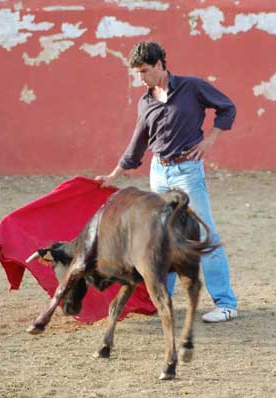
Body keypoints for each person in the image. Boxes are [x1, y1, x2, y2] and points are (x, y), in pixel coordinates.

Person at [96, 41, 238, 323]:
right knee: (162, 237)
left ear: (160, 64)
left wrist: (208, 141)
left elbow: (227, 108)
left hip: (187, 171)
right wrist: (114, 175)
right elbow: (138, 143)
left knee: (203, 234)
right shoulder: (145, 101)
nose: (141, 78)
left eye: (145, 71)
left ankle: (226, 303)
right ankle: (165, 299)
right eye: (137, 73)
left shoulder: (192, 87)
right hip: (159, 172)